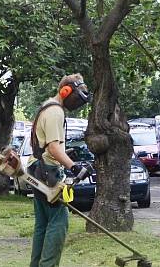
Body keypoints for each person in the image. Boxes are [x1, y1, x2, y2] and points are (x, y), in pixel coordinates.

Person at [29, 74, 92, 267]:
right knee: (58, 222)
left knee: (43, 223)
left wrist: (66, 152)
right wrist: (74, 166)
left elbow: (49, 145)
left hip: (36, 167)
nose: (78, 101)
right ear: (65, 91)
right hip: (47, 171)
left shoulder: (47, 106)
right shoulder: (56, 112)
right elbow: (53, 148)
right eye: (77, 96)